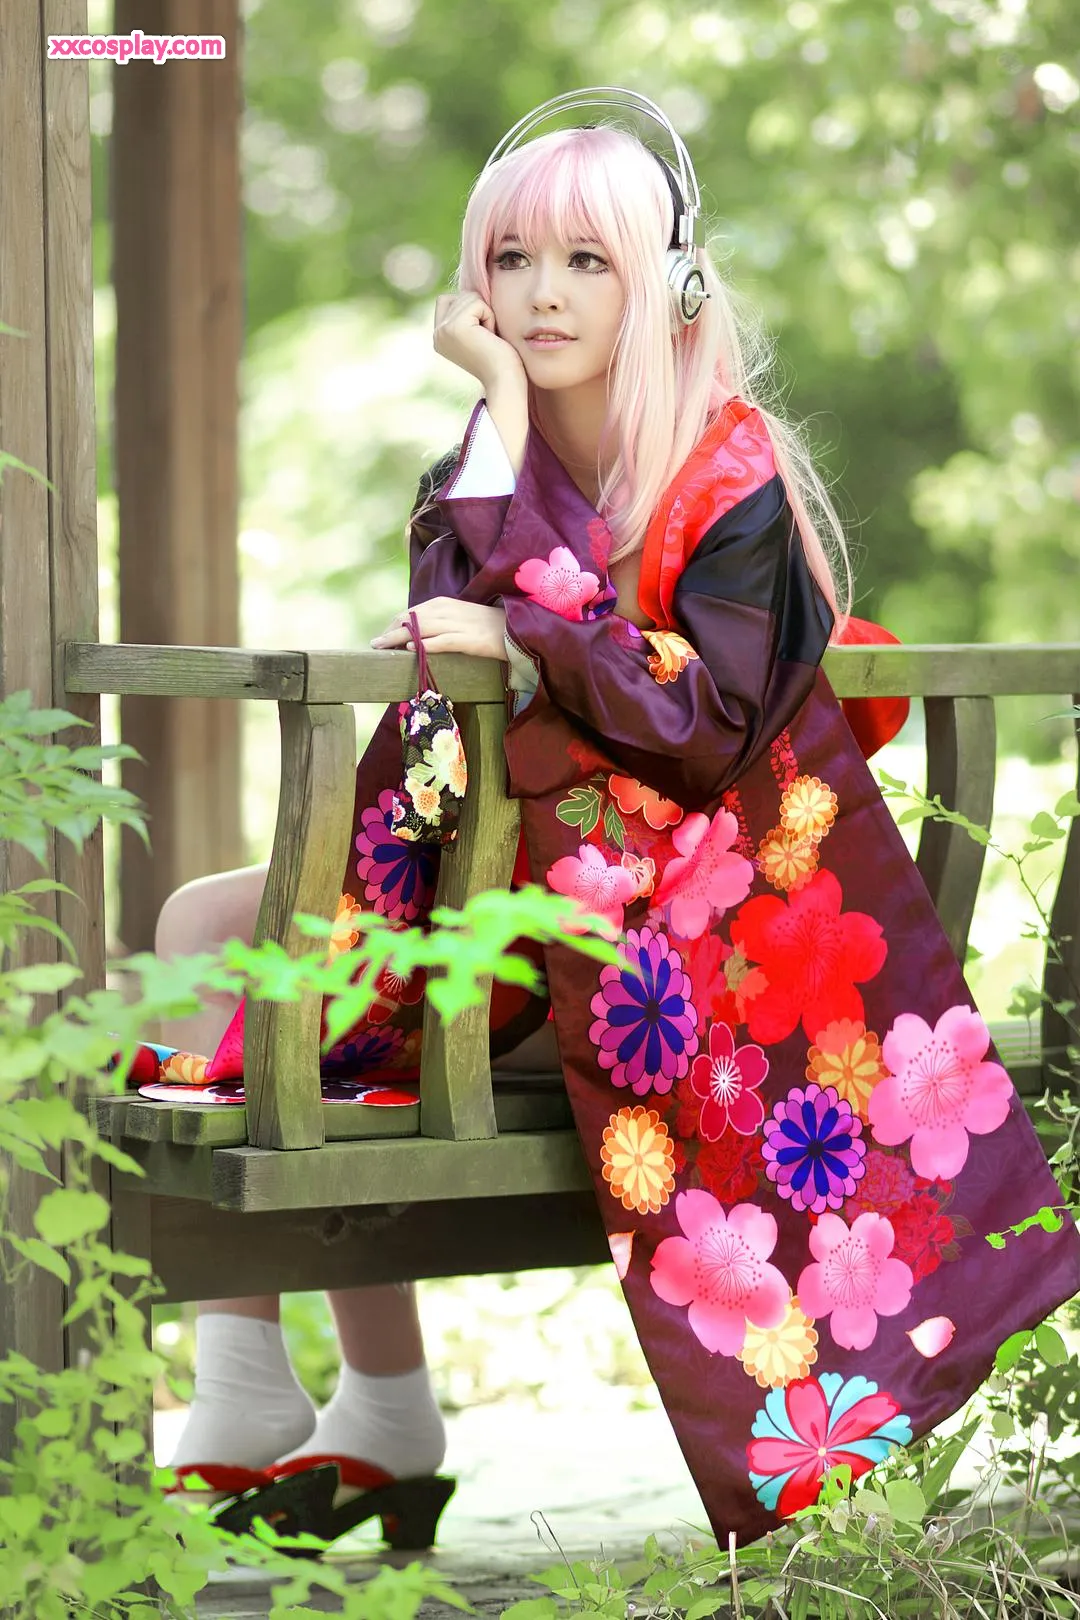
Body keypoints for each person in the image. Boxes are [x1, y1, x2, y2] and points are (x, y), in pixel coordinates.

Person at [155, 89, 1080, 1549]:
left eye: (588, 260)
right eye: (512, 259)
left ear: (669, 283)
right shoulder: (484, 461)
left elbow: (704, 724)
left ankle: (348, 1404)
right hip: (514, 897)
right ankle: (300, 1388)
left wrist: (537, 636)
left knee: (291, 978)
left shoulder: (729, 474)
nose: (543, 294)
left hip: (658, 946)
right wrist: (509, 436)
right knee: (207, 925)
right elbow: (447, 653)